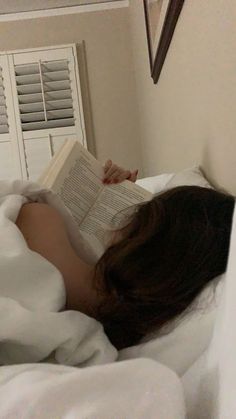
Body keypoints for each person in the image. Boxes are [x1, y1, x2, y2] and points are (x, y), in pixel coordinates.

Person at [16, 160, 235, 350]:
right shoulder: (115, 339)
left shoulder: (39, 217)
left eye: (145, 212)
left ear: (149, 238)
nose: (132, 216)